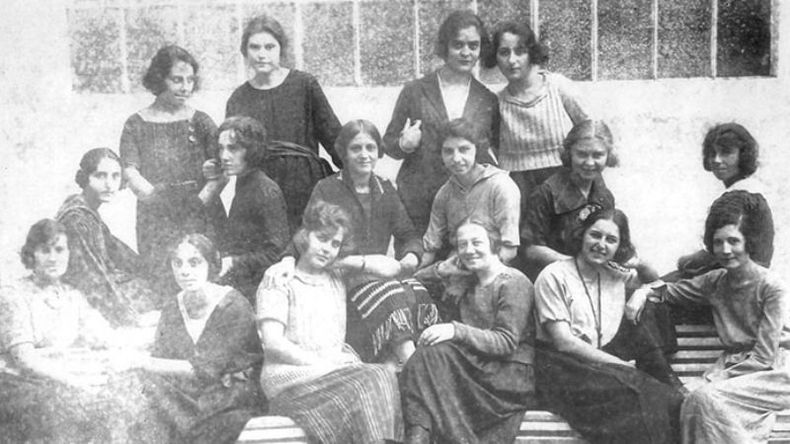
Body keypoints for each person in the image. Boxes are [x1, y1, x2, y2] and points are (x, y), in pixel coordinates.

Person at [266, 120, 436, 365]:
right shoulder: (327, 188)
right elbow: (307, 232)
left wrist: (411, 257)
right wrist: (287, 259)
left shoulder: (385, 189)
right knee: (390, 295)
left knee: (415, 290)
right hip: (341, 275)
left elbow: (408, 234)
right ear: (343, 152)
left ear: (378, 152)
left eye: (371, 148)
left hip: (377, 273)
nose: (364, 155)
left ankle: (422, 359)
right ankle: (413, 365)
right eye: (356, 148)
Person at [627, 195, 790, 444]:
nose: (725, 250)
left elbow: (763, 357)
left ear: (749, 242)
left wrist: (710, 380)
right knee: (695, 401)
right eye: (718, 242)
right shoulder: (715, 281)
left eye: (733, 241)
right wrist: (642, 291)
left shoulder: (771, 286)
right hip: (733, 370)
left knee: (704, 399)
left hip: (773, 373)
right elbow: (668, 291)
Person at [533, 208, 685, 444]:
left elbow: (658, 284)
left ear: (619, 246)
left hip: (599, 366)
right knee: (636, 396)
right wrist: (624, 367)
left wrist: (641, 290)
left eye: (611, 240)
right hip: (561, 368)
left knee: (663, 398)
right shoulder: (554, 275)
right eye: (595, 235)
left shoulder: (615, 275)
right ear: (582, 235)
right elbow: (563, 342)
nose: (601, 245)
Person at [257, 202, 403, 444]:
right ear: (305, 236)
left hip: (334, 380)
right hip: (292, 385)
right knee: (374, 377)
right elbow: (273, 343)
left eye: (335, 244)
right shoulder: (279, 278)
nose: (327, 248)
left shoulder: (336, 276)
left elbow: (392, 268)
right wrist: (326, 364)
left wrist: (344, 261)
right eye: (322, 239)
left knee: (383, 375)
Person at [0, 219, 146, 443]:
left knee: (125, 395)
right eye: (45, 250)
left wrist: (155, 333)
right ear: (31, 255)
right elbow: (24, 358)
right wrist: (73, 381)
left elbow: (109, 337)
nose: (53, 258)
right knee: (64, 406)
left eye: (59, 249)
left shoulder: (72, 296)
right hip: (21, 384)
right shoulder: (13, 294)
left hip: (60, 379)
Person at [401, 220, 536, 444]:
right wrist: (443, 268)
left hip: (510, 374)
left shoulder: (513, 282)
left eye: (476, 242)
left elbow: (506, 341)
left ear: (493, 244)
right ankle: (418, 439)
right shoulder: (467, 282)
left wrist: (455, 330)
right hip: (478, 367)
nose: (469, 250)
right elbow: (411, 282)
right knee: (425, 362)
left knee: (430, 357)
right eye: (462, 245)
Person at [133, 233, 265, 444]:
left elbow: (205, 368)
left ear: (211, 264)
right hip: (192, 394)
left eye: (194, 262)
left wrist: (141, 362)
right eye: (178, 263)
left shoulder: (233, 305)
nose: (185, 271)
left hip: (231, 395)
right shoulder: (173, 307)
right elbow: (161, 355)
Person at [383, 9, 499, 238]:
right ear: (445, 46)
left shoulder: (487, 99)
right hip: (419, 200)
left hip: (468, 205)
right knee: (416, 267)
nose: (466, 53)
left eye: (473, 46)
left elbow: (498, 151)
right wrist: (404, 144)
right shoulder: (415, 91)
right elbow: (388, 143)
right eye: (458, 45)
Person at [119, 45, 220, 295]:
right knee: (164, 282)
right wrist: (157, 200)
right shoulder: (136, 124)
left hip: (200, 213)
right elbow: (130, 171)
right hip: (156, 217)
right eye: (177, 80)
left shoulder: (202, 121)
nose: (185, 87)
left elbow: (223, 168)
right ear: (159, 79)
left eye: (190, 80)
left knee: (204, 281)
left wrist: (200, 200)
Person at [226, 15, 342, 230]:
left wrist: (356, 178)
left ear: (281, 49)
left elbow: (334, 136)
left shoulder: (304, 85)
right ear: (245, 51)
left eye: (269, 47)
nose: (262, 54)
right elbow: (232, 153)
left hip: (305, 185)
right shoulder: (238, 98)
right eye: (255, 47)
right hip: (258, 189)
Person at [483, 20, 589, 209]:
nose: (512, 60)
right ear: (495, 57)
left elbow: (589, 128)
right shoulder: (496, 102)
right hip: (519, 190)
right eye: (504, 52)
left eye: (520, 51)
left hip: (564, 183)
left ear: (532, 53)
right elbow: (494, 147)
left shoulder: (558, 86)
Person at [56, 147, 158, 326]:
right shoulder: (76, 218)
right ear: (85, 177)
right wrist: (131, 318)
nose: (109, 184)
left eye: (115, 176)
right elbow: (92, 277)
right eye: (100, 176)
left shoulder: (88, 211)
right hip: (81, 295)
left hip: (98, 283)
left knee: (152, 286)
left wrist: (152, 273)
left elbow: (119, 253)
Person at [201, 116, 289, 303]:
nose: (224, 156)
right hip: (240, 280)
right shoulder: (242, 183)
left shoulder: (265, 190)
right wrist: (215, 184)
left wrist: (233, 262)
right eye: (221, 148)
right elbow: (227, 234)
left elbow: (276, 253)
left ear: (251, 151)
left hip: (258, 288)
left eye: (233, 148)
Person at [520, 119, 618, 282]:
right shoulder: (546, 193)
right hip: (552, 277)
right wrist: (575, 265)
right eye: (581, 154)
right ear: (569, 154)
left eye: (598, 155)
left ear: (608, 156)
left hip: (590, 277)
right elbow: (531, 249)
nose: (589, 163)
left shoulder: (604, 195)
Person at [675, 123, 774, 278]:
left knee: (651, 294)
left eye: (726, 153)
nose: (716, 160)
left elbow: (723, 254)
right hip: (734, 276)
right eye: (712, 153)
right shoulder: (748, 190)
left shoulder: (741, 197)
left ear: (743, 156)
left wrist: (686, 261)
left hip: (736, 282)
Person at [422, 117, 520, 267]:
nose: (456, 158)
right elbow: (430, 246)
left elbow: (509, 249)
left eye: (464, 149)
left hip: (496, 267)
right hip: (457, 266)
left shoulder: (500, 185)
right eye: (448, 151)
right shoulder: (445, 194)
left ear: (477, 149)